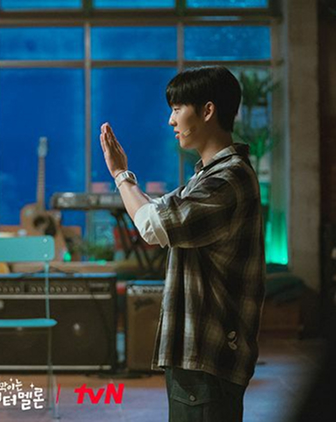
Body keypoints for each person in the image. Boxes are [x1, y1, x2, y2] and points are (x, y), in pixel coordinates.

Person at [100, 66, 265, 421]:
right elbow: (156, 210)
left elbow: (151, 225)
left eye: (177, 109)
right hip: (199, 357)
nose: (171, 120)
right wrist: (124, 177)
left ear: (207, 111)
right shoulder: (207, 176)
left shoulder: (228, 179)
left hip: (209, 356)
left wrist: (120, 175)